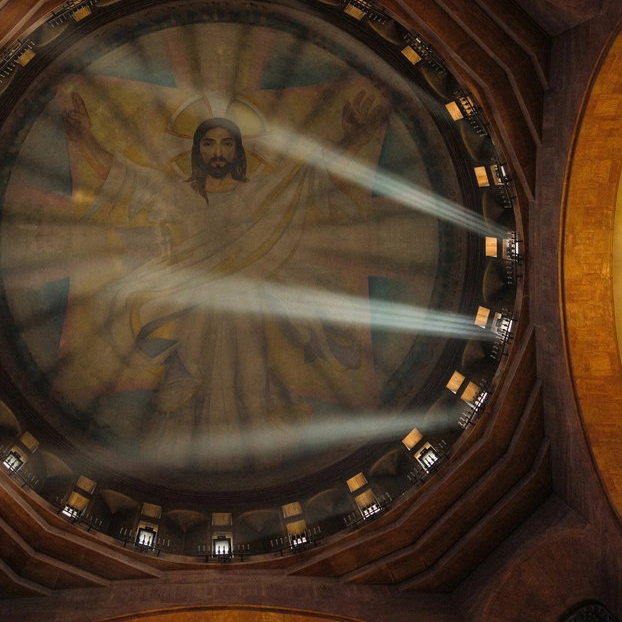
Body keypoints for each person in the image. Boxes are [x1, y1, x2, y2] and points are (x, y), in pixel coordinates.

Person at [60, 90, 390, 471]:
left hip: (246, 310)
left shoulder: (261, 191)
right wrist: (84, 139)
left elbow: (314, 174)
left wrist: (355, 139)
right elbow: (125, 177)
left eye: (227, 144)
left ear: (238, 151)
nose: (218, 152)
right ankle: (180, 466)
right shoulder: (177, 192)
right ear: (198, 150)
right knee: (183, 391)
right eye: (209, 144)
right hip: (195, 308)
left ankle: (257, 468)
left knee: (251, 382)